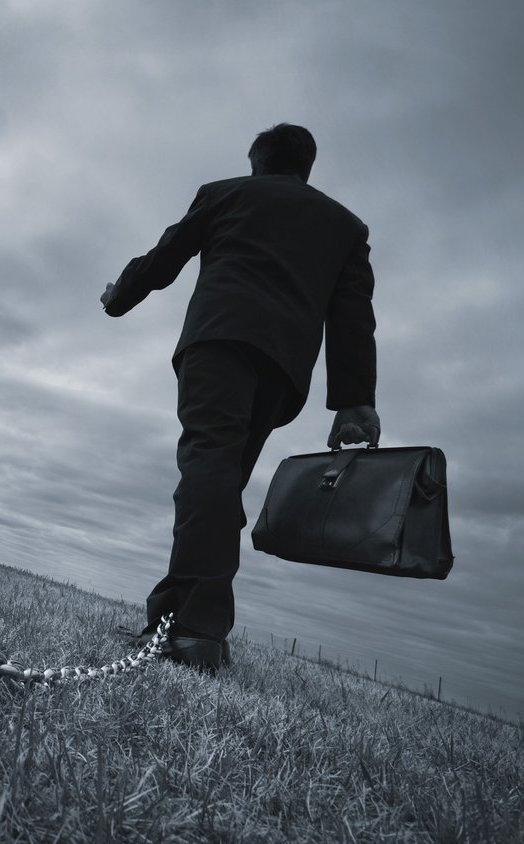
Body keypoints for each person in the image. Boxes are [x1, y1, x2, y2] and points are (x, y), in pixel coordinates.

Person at [100, 123, 381, 673]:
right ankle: (177, 621)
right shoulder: (345, 225)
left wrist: (118, 296)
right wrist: (354, 400)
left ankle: (197, 630)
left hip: (219, 342)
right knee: (220, 482)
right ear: (306, 166)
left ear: (258, 160)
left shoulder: (224, 193)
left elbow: (164, 258)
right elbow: (354, 316)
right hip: (283, 370)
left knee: (208, 470)